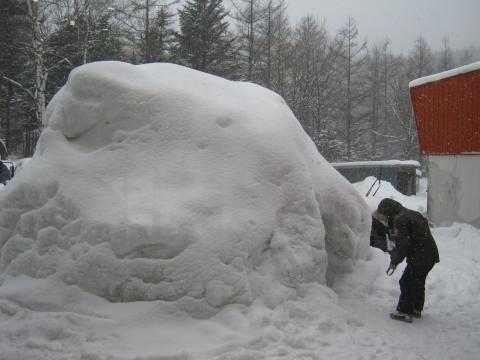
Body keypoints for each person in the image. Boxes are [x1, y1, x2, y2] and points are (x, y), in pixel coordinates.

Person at [374, 198, 440, 323]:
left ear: (388, 211)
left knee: (406, 282)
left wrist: (394, 261)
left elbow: (403, 244)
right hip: (430, 254)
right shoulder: (413, 213)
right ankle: (416, 308)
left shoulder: (399, 219)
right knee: (418, 281)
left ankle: (404, 312)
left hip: (419, 256)